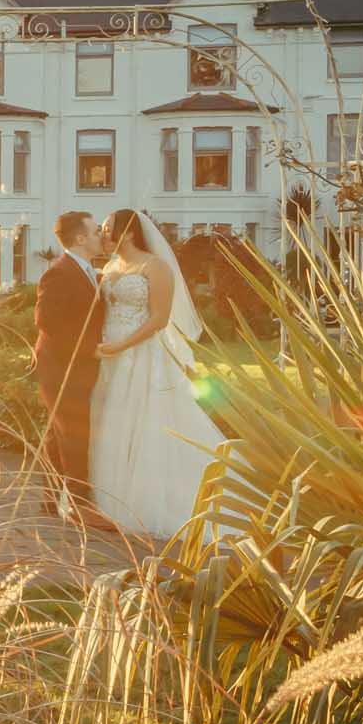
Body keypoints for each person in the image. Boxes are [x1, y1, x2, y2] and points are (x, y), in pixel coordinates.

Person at [88, 207, 225, 536]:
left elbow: (159, 319)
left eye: (108, 228)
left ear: (129, 232)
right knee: (113, 423)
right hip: (109, 355)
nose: (103, 234)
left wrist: (123, 346)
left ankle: (146, 500)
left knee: (145, 421)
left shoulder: (156, 267)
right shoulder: (110, 267)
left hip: (141, 354)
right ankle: (110, 498)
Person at [32, 210, 117, 532]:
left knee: (59, 432)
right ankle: (81, 506)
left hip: (76, 363)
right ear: (80, 238)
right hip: (62, 365)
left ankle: (50, 497)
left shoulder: (86, 271)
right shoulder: (59, 272)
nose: (101, 236)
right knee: (75, 432)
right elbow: (46, 321)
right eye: (96, 232)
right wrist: (87, 349)